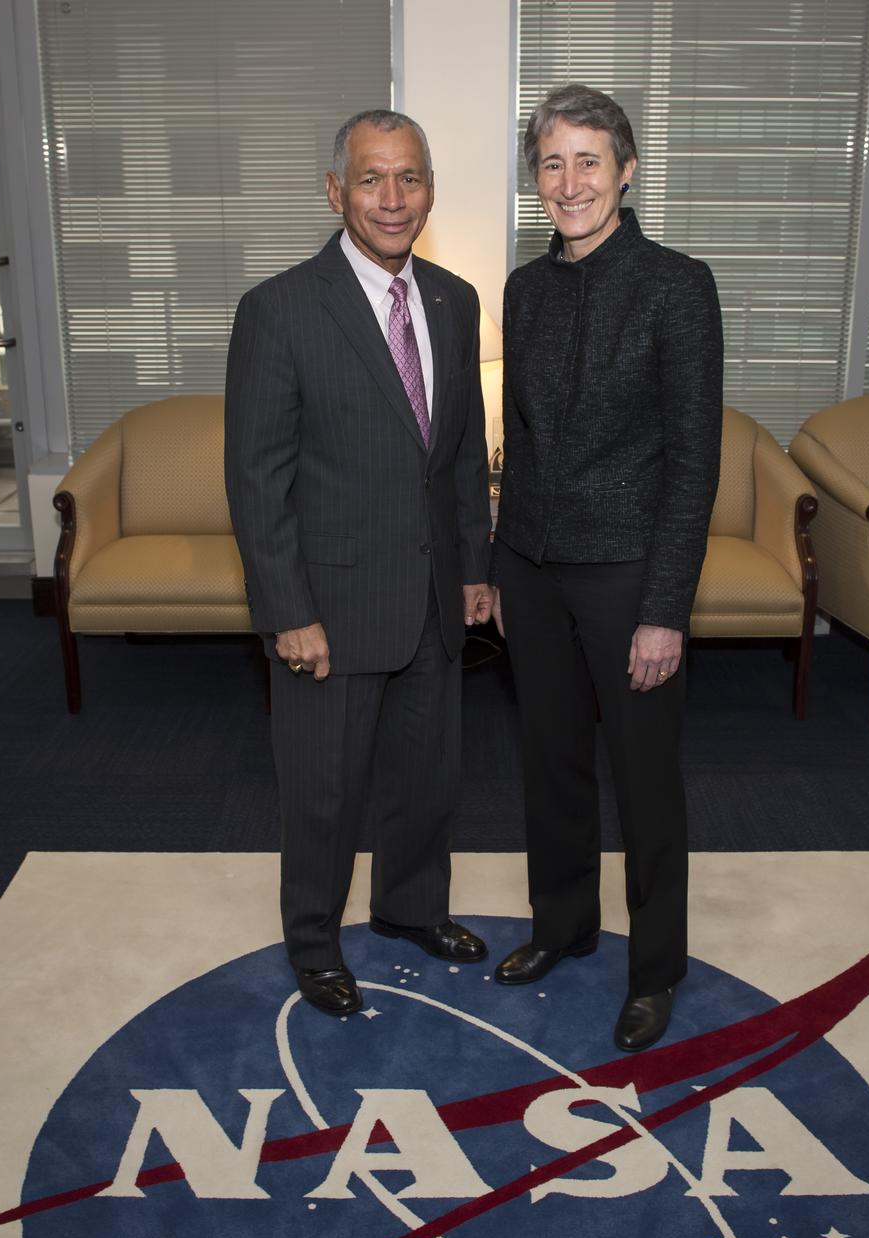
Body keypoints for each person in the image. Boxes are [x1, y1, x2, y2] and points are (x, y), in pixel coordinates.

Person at [225, 109, 493, 1017]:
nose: (392, 199)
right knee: (324, 793)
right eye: (372, 179)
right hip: (329, 607)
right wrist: (286, 610)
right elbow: (257, 480)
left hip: (431, 596)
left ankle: (411, 910)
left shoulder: (456, 301)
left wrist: (474, 569)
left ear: (429, 190)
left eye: (409, 178)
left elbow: (460, 451)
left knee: (430, 776)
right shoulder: (279, 310)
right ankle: (314, 941)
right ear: (334, 191)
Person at [490, 84, 723, 1052]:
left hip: (628, 573)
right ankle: (562, 922)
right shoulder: (523, 287)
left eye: (589, 159)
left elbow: (693, 459)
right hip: (533, 570)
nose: (569, 180)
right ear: (534, 178)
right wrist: (501, 565)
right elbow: (521, 440)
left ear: (626, 171)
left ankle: (655, 965)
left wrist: (665, 606)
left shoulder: (676, 283)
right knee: (549, 761)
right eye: (552, 161)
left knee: (642, 775)